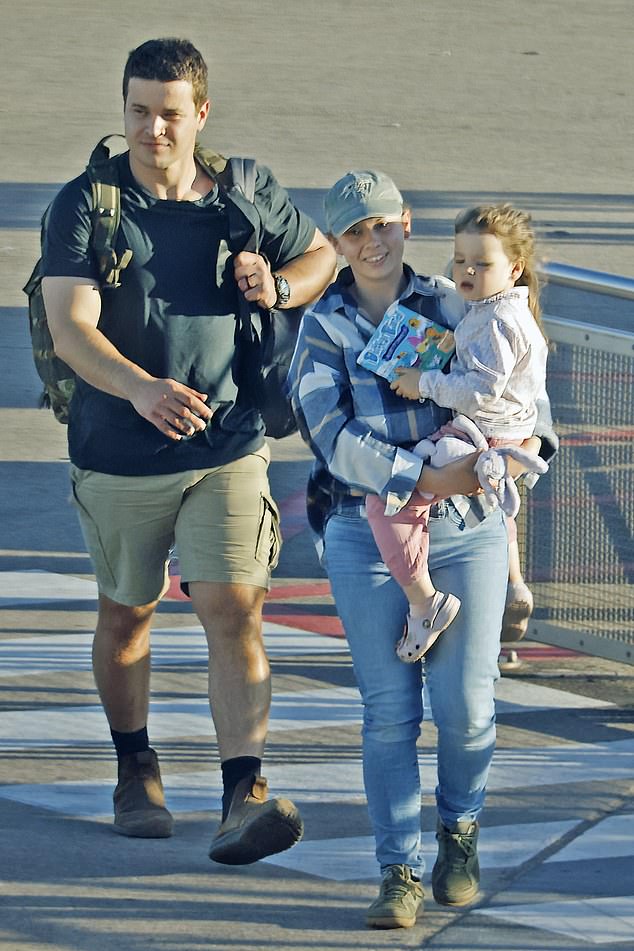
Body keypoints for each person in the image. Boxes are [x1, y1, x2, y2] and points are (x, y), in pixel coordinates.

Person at [40, 37, 336, 864]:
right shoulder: (85, 205)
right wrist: (139, 387)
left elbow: (320, 257)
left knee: (233, 608)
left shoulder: (244, 195)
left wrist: (279, 285)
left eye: (170, 113)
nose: (152, 130)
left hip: (229, 445)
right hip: (118, 449)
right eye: (139, 111)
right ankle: (136, 765)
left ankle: (245, 792)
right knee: (127, 614)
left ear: (200, 112)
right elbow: (70, 327)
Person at [287, 171, 557, 929]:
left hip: (466, 526)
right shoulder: (324, 323)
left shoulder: (455, 295)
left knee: (467, 710)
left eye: (383, 224)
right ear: (335, 244)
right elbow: (327, 433)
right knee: (388, 713)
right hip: (366, 532)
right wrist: (421, 474)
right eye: (353, 232)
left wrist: (527, 447)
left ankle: (459, 829)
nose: (371, 241)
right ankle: (397, 868)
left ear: (405, 223)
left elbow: (527, 392)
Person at [372, 203, 549, 661]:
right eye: (460, 259)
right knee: (499, 507)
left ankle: (423, 601)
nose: (467, 270)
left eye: (482, 263)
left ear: (515, 268)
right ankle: (511, 581)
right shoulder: (500, 310)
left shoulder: (495, 321)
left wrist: (422, 382)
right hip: (504, 437)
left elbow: (482, 392)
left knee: (389, 500)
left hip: (481, 436)